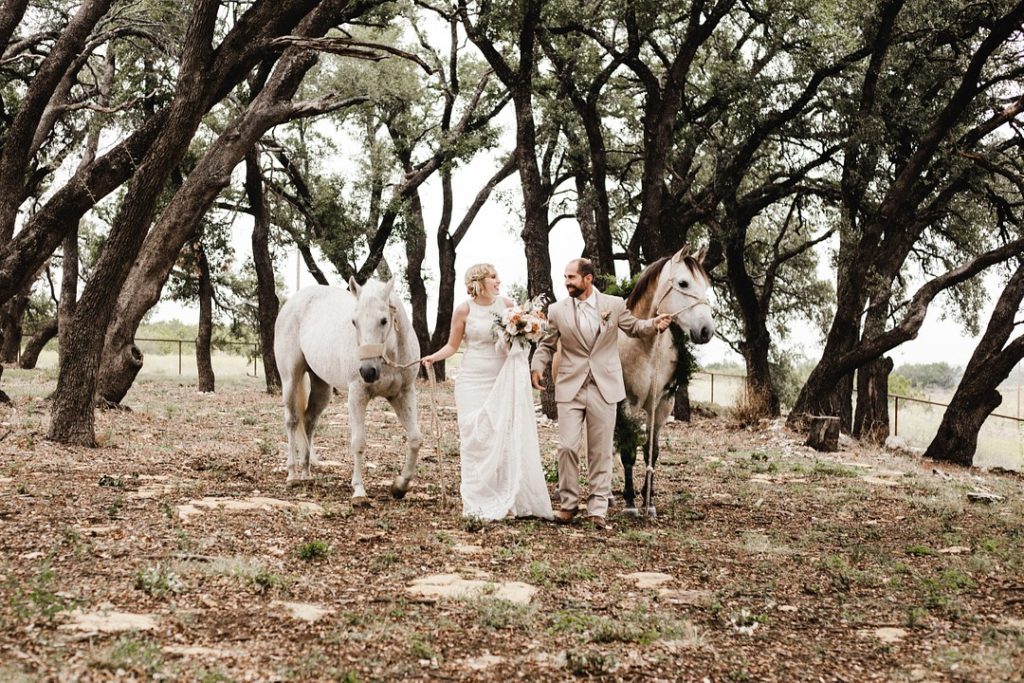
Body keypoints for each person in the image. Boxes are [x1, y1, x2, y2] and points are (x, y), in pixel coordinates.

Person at [530, 258, 671, 530]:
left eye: (571, 277)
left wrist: (654, 323)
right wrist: (537, 366)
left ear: (588, 279)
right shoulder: (557, 310)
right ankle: (569, 505)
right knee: (568, 446)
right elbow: (547, 344)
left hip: (604, 386)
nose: (566, 282)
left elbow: (634, 328)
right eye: (565, 277)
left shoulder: (614, 305)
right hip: (571, 385)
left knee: (601, 451)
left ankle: (597, 510)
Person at [422, 264, 554, 521]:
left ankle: (506, 496)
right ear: (479, 281)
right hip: (471, 379)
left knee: (500, 435)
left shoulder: (507, 305)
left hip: (500, 378)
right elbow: (452, 345)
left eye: (497, 275)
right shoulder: (464, 310)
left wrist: (523, 336)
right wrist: (432, 358)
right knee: (474, 435)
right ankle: (478, 497)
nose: (498, 280)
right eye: (493, 276)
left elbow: (517, 340)